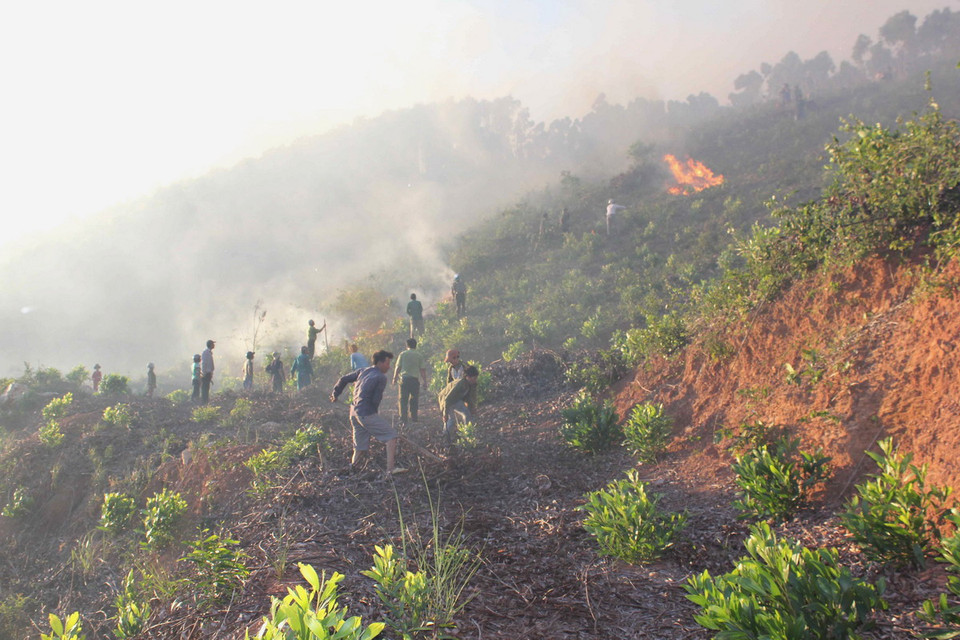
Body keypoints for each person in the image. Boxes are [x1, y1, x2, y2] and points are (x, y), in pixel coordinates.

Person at [330, 350, 406, 477]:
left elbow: (343, 379)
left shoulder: (363, 371)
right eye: (387, 363)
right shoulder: (381, 377)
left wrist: (335, 393)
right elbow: (376, 399)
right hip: (365, 413)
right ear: (380, 363)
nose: (389, 367)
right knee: (391, 436)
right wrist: (373, 415)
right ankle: (390, 470)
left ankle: (352, 470)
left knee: (359, 447)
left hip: (354, 413)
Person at [438, 365, 479, 445]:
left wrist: (472, 408)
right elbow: (447, 399)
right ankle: (445, 437)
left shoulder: (470, 384)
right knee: (451, 420)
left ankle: (467, 434)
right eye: (474, 378)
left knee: (467, 413)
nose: (475, 380)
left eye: (475, 378)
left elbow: (469, 398)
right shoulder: (460, 384)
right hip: (446, 399)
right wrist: (445, 414)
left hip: (456, 400)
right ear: (467, 377)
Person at [393, 338, 427, 425]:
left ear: (407, 345)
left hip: (404, 380)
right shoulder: (419, 355)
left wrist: (394, 378)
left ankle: (403, 419)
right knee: (414, 399)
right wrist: (425, 381)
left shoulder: (403, 354)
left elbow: (398, 367)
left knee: (403, 400)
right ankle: (414, 417)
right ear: (415, 345)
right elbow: (422, 370)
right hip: (414, 380)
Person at [200, 340, 215, 404]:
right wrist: (204, 373)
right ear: (210, 345)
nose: (214, 345)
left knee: (207, 387)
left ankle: (206, 401)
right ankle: (204, 401)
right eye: (213, 344)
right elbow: (204, 363)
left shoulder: (209, 352)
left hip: (208, 373)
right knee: (205, 388)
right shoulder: (205, 352)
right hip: (206, 373)